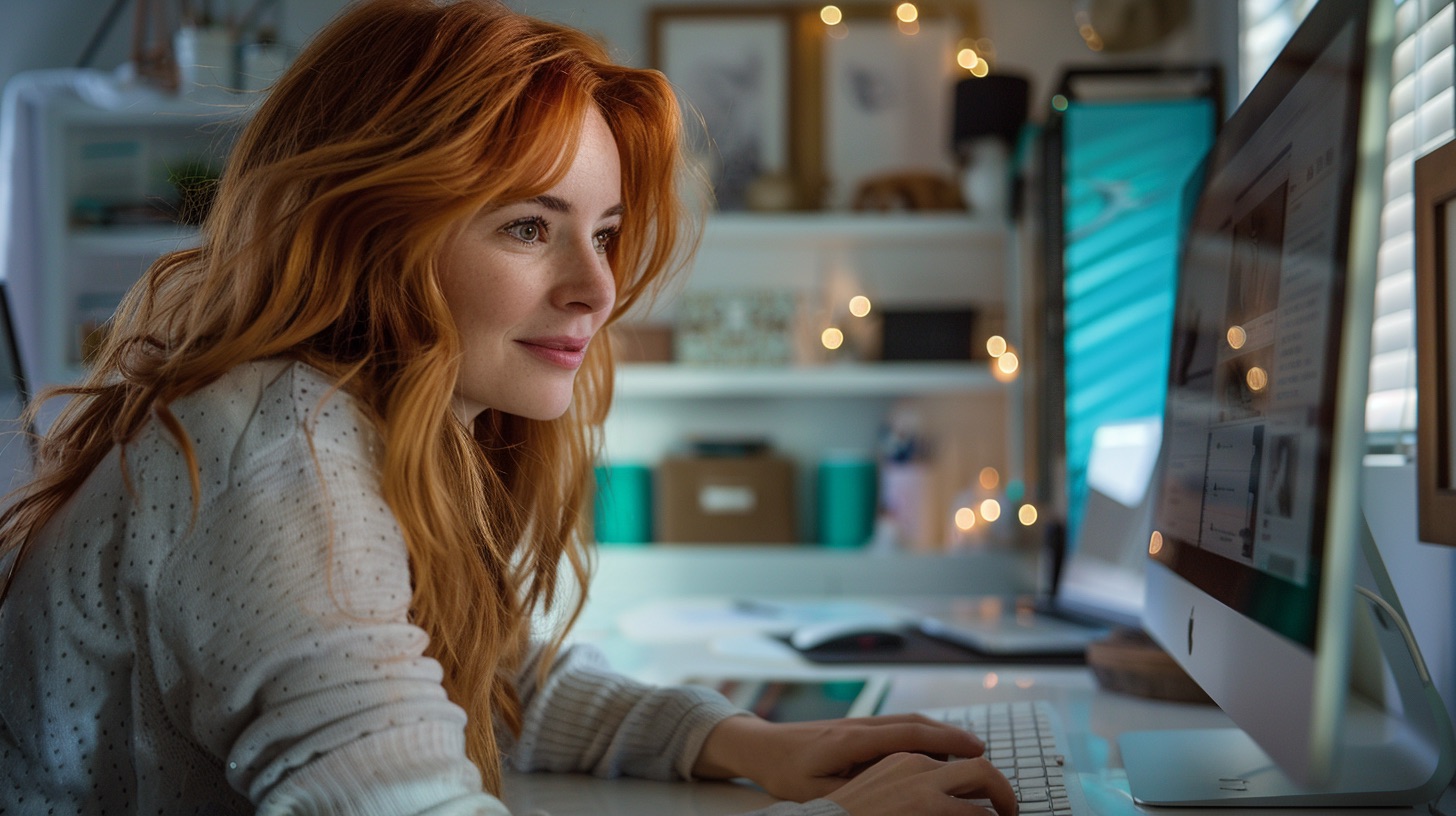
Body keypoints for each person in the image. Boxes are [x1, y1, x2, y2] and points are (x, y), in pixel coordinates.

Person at [0, 1, 1016, 814]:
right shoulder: (278, 459)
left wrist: (746, 743)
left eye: (604, 231)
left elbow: (484, 686)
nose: (598, 287)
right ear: (368, 232)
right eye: (530, 227)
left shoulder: (379, 423)